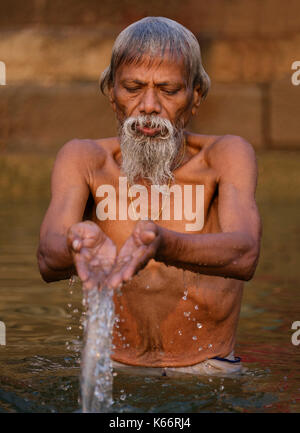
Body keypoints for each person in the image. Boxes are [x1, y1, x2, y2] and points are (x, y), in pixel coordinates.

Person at [37, 17, 262, 376]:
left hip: (208, 368)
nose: (149, 105)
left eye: (169, 90)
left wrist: (163, 244)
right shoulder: (84, 159)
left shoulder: (225, 156)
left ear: (196, 97)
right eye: (133, 87)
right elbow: (48, 259)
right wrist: (78, 241)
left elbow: (246, 253)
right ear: (112, 93)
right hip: (110, 369)